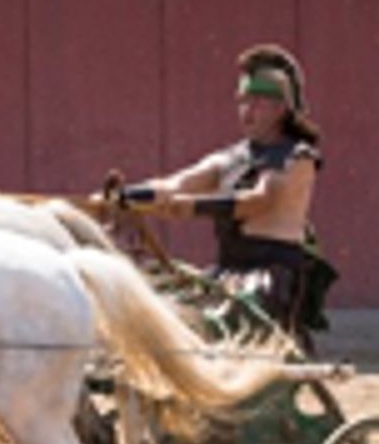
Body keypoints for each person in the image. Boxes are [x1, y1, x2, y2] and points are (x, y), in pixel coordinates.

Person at [118, 44, 336, 351]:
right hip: (226, 273)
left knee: (218, 324)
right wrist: (124, 196)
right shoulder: (232, 157)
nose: (247, 110)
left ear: (280, 108)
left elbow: (258, 200)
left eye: (257, 102)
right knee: (164, 308)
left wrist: (190, 208)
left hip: (270, 278)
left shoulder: (298, 157)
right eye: (243, 101)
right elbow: (177, 184)